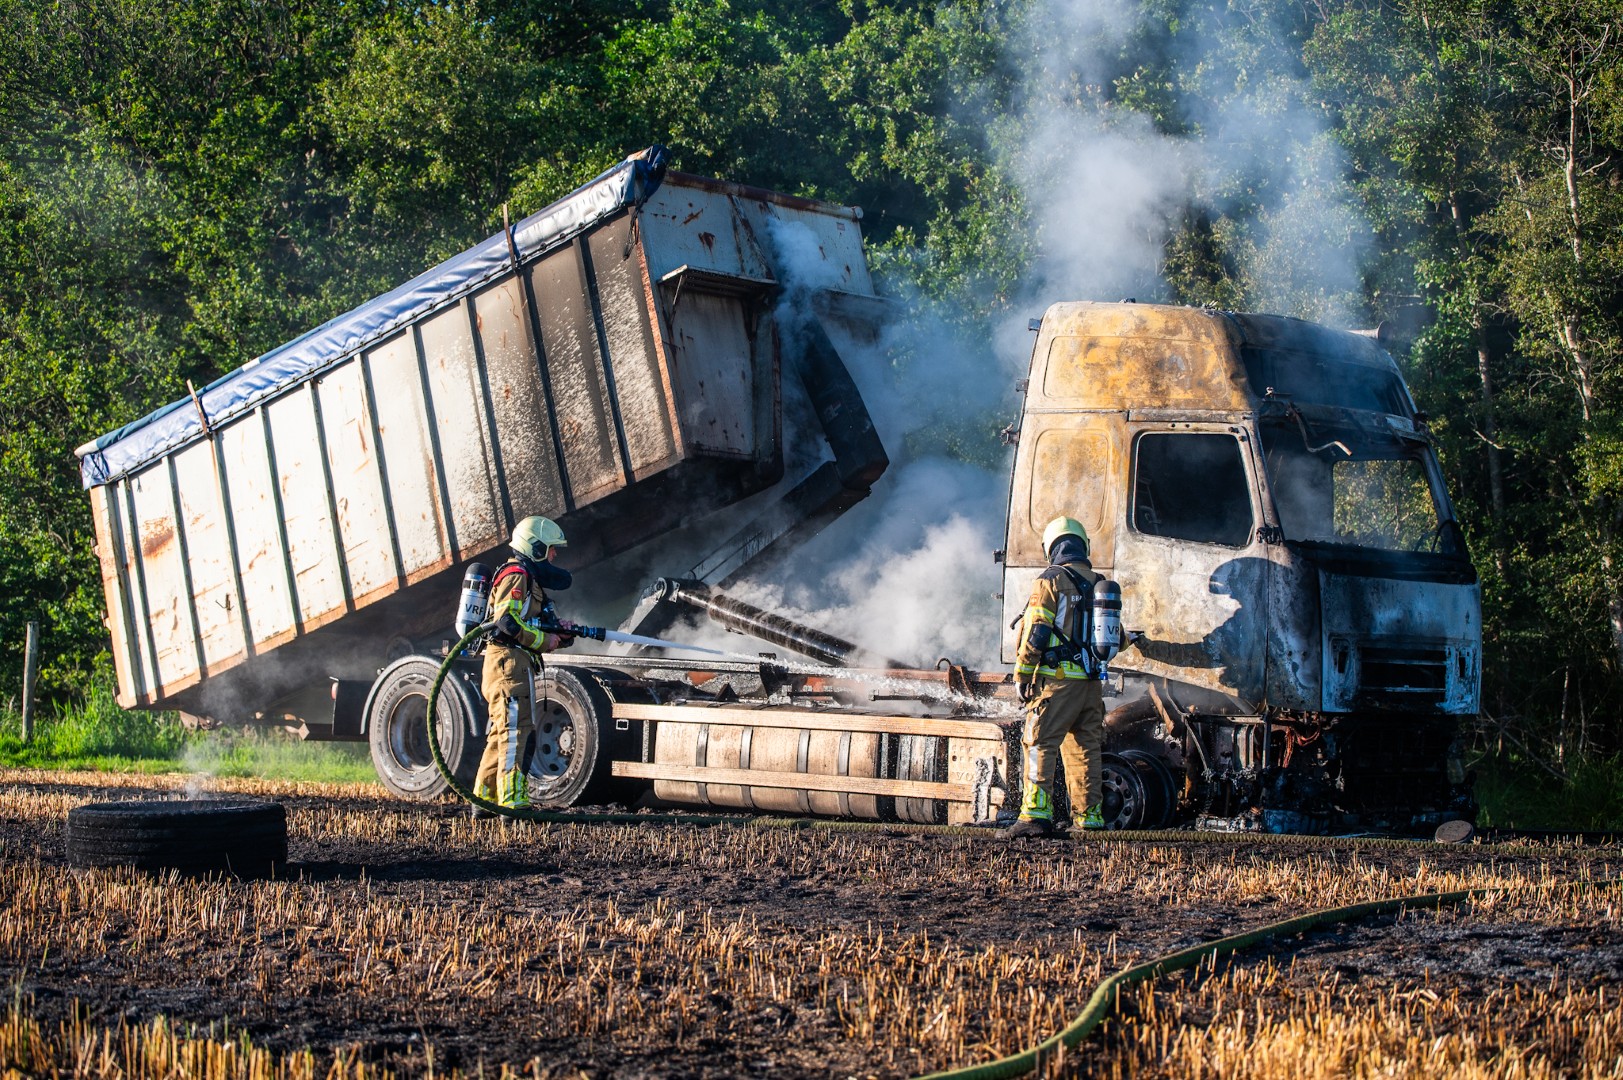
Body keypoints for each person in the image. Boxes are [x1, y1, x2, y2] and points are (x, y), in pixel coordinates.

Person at [999, 515, 1107, 839]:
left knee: (1038, 742)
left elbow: (1037, 630)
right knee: (1084, 749)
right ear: (1083, 545)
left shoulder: (1051, 580)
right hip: (1090, 685)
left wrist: (1022, 673)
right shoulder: (1099, 583)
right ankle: (1089, 820)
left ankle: (1034, 815)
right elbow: (1113, 636)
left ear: (1051, 547)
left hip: (1056, 683)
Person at [475, 515, 576, 816]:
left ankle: (484, 800)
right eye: (551, 549)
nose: (554, 555)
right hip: (508, 665)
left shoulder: (529, 579)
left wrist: (560, 634)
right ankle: (512, 801)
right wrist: (544, 640)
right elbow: (506, 621)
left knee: (502, 734)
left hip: (513, 664)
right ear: (536, 548)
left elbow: (529, 624)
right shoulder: (517, 575)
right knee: (515, 734)